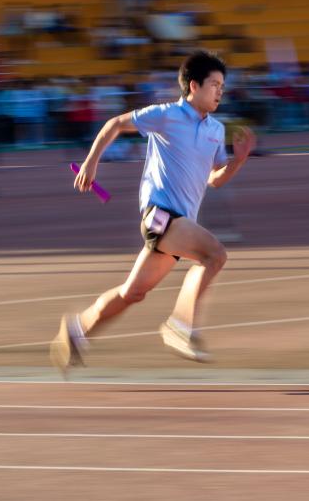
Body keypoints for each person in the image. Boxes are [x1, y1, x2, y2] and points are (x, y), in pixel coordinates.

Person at [51, 50, 256, 374]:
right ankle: (179, 325)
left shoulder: (216, 129)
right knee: (214, 256)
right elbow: (115, 124)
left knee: (133, 293)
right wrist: (91, 163)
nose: (220, 91)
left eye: (222, 86)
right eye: (214, 84)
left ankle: (76, 330)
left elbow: (215, 179)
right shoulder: (166, 115)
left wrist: (238, 161)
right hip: (160, 214)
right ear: (193, 86)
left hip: (180, 223)